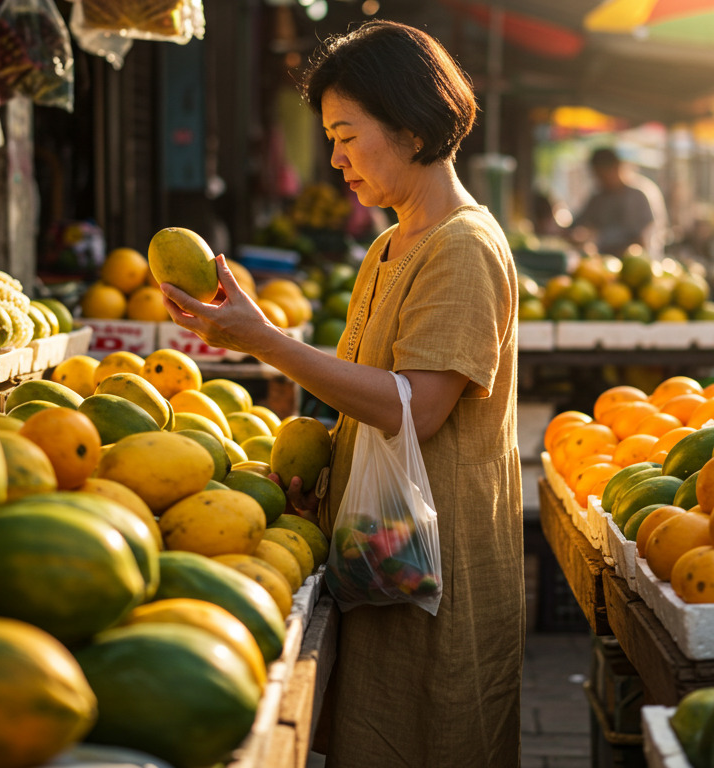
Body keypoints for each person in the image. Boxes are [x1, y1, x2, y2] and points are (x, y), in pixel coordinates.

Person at [160, 21, 524, 768]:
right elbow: (368, 396)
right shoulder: (392, 243)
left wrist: (266, 340)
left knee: (439, 733)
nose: (334, 160)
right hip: (384, 548)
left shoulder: (463, 247)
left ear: (413, 127)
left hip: (438, 565)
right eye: (330, 137)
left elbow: (416, 407)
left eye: (347, 136)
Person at [572, 147, 657, 257]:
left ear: (616, 167)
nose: (599, 180)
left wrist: (598, 237)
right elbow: (578, 224)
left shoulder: (637, 197)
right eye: (597, 176)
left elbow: (640, 238)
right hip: (601, 263)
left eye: (603, 175)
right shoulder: (597, 200)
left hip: (632, 262)